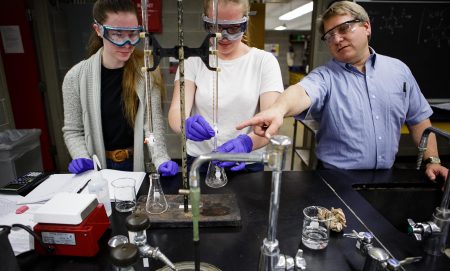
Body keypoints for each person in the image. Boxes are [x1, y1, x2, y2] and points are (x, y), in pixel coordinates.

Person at [237, 1, 447, 181]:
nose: (337, 39)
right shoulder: (325, 77)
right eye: (329, 36)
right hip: (335, 179)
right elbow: (302, 92)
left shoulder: (399, 71)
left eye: (344, 29)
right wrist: (279, 108)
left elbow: (419, 120)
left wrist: (432, 160)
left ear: (366, 27)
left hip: (386, 177)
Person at [62, 0, 178, 176]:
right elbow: (73, 130)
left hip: (136, 164)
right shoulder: (75, 77)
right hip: (97, 166)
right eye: (117, 34)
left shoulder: (147, 71)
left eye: (133, 34)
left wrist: (161, 158)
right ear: (98, 30)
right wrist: (80, 156)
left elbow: (152, 126)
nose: (127, 43)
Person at [168, 0, 283, 172]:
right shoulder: (193, 61)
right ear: (205, 22)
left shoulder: (263, 62)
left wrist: (247, 143)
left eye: (233, 28)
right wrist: (184, 124)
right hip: (201, 162)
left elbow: (270, 122)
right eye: (215, 27)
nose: (223, 36)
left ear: (245, 23)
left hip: (246, 161)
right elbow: (177, 110)